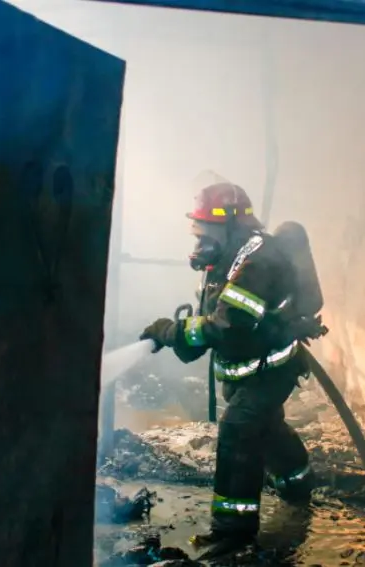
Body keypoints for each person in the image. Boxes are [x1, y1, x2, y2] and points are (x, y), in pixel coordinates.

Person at [139, 181, 315, 557]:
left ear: (230, 225)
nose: (199, 240)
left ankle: (232, 533)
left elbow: (228, 322)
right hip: (246, 370)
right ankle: (297, 481)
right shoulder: (229, 258)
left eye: (204, 232)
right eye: (196, 232)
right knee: (265, 428)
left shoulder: (256, 261)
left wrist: (172, 332)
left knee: (238, 431)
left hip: (269, 371)